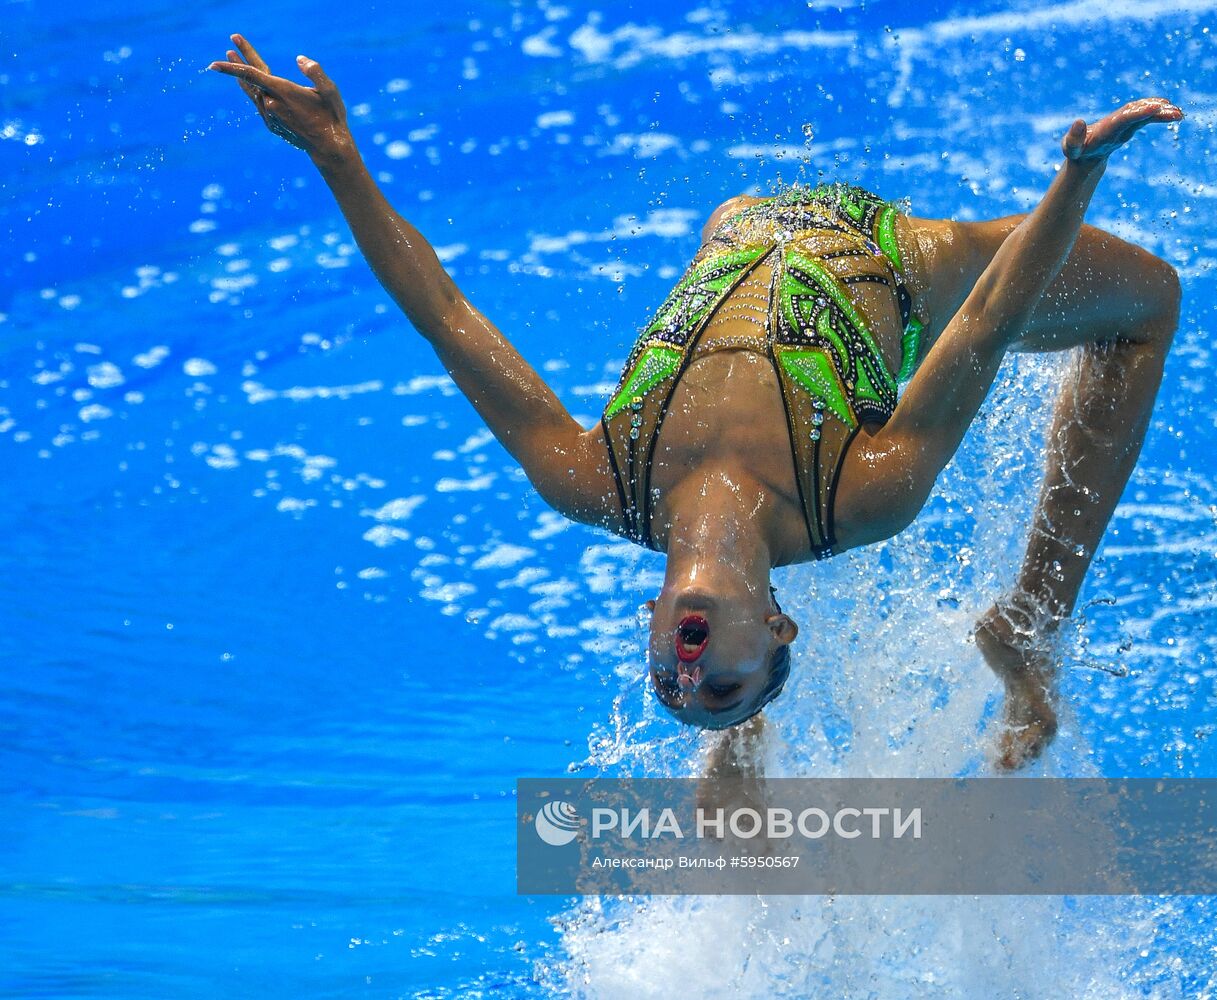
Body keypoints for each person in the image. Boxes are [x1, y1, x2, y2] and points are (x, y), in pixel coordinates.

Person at [210, 36, 1182, 770]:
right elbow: (980, 325)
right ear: (776, 626)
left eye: (671, 681)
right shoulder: (859, 493)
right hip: (901, 263)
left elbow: (445, 314)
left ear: (648, 620)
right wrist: (1076, 175)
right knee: (1146, 306)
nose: (688, 668)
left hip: (737, 227)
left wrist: (336, 157)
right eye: (721, 680)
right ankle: (1029, 618)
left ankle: (737, 748)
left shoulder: (591, 478)